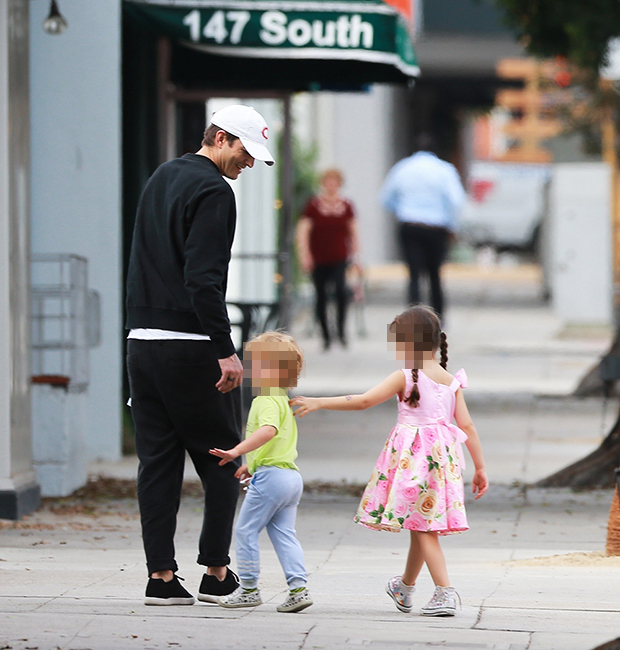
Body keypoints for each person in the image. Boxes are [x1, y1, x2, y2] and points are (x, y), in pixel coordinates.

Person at [125, 104, 275, 606]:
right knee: (224, 459)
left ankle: (160, 579)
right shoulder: (215, 190)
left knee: (158, 463)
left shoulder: (161, 178)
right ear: (219, 137)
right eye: (245, 151)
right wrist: (225, 351)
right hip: (189, 347)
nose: (248, 164)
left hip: (141, 344)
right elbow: (203, 280)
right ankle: (216, 572)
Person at [291, 305, 488, 616]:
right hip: (443, 461)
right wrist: (480, 466)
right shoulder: (452, 381)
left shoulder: (404, 377)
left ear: (410, 343)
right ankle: (405, 588)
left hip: (413, 460)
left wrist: (319, 402)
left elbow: (364, 401)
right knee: (419, 523)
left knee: (423, 527)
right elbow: (467, 427)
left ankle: (445, 592)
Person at [209, 331, 313, 613]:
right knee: (283, 534)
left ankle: (249, 588)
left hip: (271, 479)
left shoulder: (265, 399)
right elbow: (277, 442)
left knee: (245, 530)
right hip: (290, 477)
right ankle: (298, 588)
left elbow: (268, 432)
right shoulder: (281, 398)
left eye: (253, 363)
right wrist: (250, 462)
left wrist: (236, 451)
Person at [381, 135, 465, 321]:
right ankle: (438, 319)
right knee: (435, 275)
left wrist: (403, 210)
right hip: (436, 227)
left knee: (414, 274)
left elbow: (386, 198)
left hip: (410, 225)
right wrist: (452, 226)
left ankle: (414, 318)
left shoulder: (402, 168)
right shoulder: (444, 169)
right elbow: (456, 200)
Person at [296, 169, 360, 350]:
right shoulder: (313, 206)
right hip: (319, 257)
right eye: (328, 182)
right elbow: (303, 231)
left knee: (341, 292)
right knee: (321, 295)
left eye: (334, 182)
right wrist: (304, 254)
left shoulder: (347, 206)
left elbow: (353, 231)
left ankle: (341, 330)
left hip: (340, 256)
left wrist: (356, 256)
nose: (331, 186)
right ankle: (325, 335)